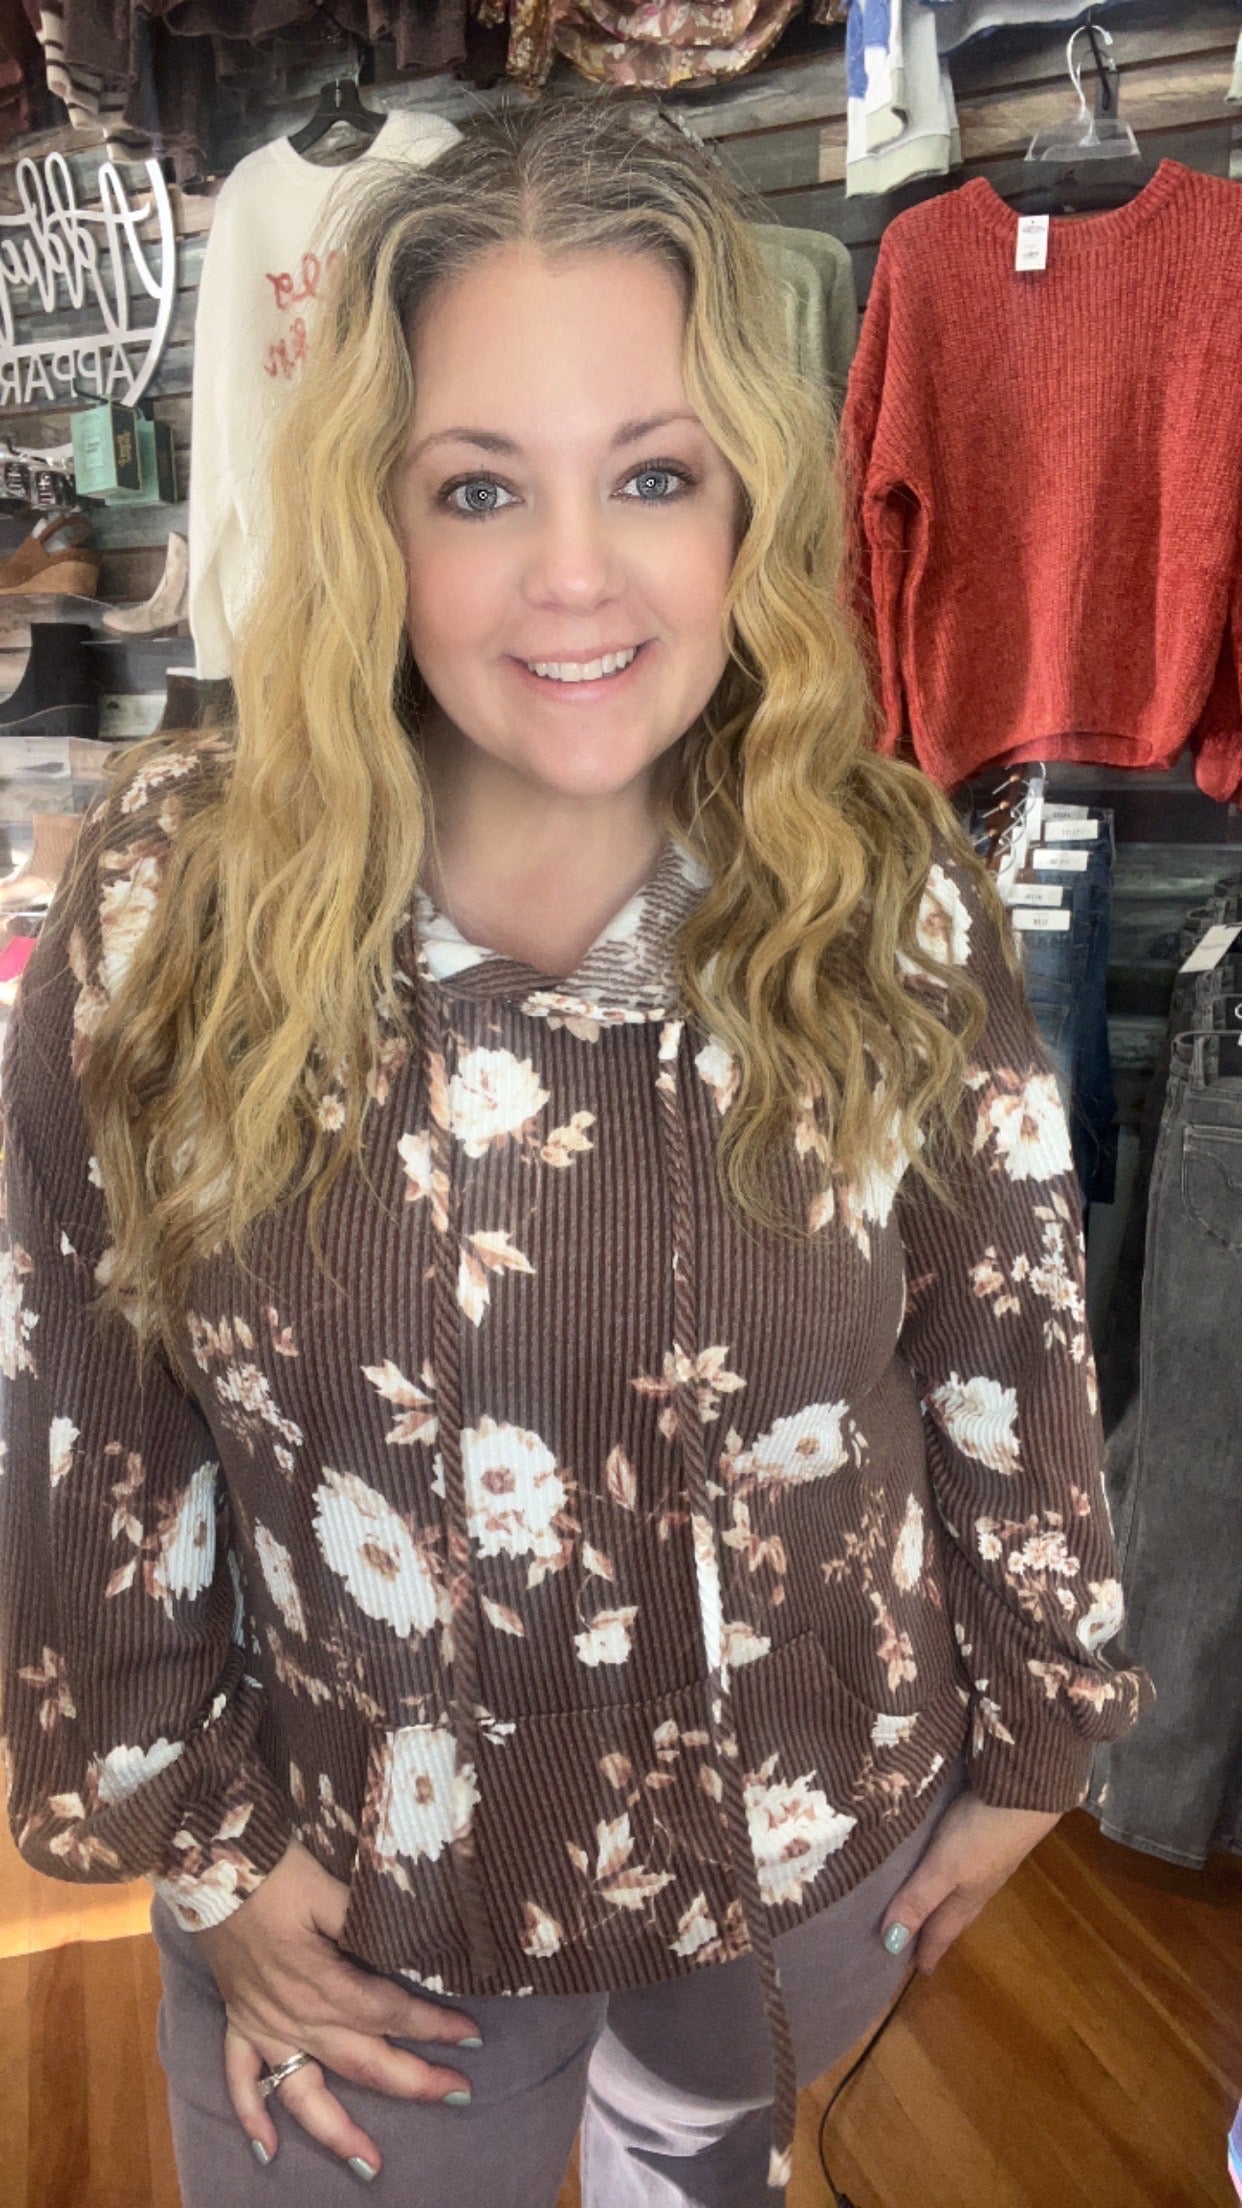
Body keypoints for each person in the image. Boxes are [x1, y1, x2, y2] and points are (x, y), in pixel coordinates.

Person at [0, 92, 1152, 2208]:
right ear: (375, 516)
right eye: (478, 486)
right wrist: (205, 1838)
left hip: (808, 1843)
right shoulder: (179, 900)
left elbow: (1006, 1337)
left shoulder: (878, 886)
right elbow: (89, 1391)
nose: (572, 575)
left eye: (651, 474)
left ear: (744, 509)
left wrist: (1041, 1739)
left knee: (698, 2172)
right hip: (356, 1897)